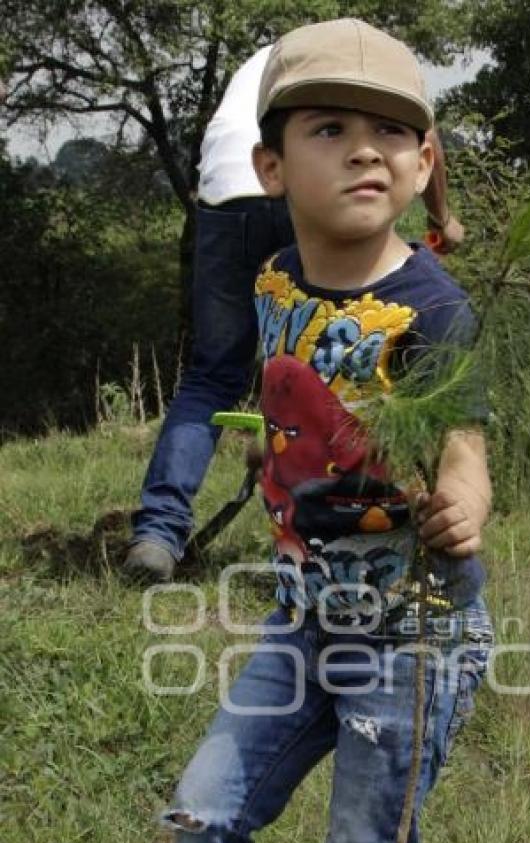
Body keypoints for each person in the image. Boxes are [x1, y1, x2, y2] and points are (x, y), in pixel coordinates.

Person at [102, 17, 492, 843]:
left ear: (423, 164)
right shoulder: (273, 280)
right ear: (271, 169)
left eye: (392, 133)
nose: (366, 149)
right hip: (304, 621)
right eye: (330, 129)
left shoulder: (434, 309)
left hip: (412, 635)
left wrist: (460, 500)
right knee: (206, 812)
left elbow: (466, 445)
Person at [125, 42, 465, 583]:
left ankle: (158, 533)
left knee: (212, 374)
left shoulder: (271, 56)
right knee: (338, 367)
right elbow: (426, 137)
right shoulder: (370, 57)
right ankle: (332, 542)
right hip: (307, 189)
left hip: (229, 194)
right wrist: (443, 219)